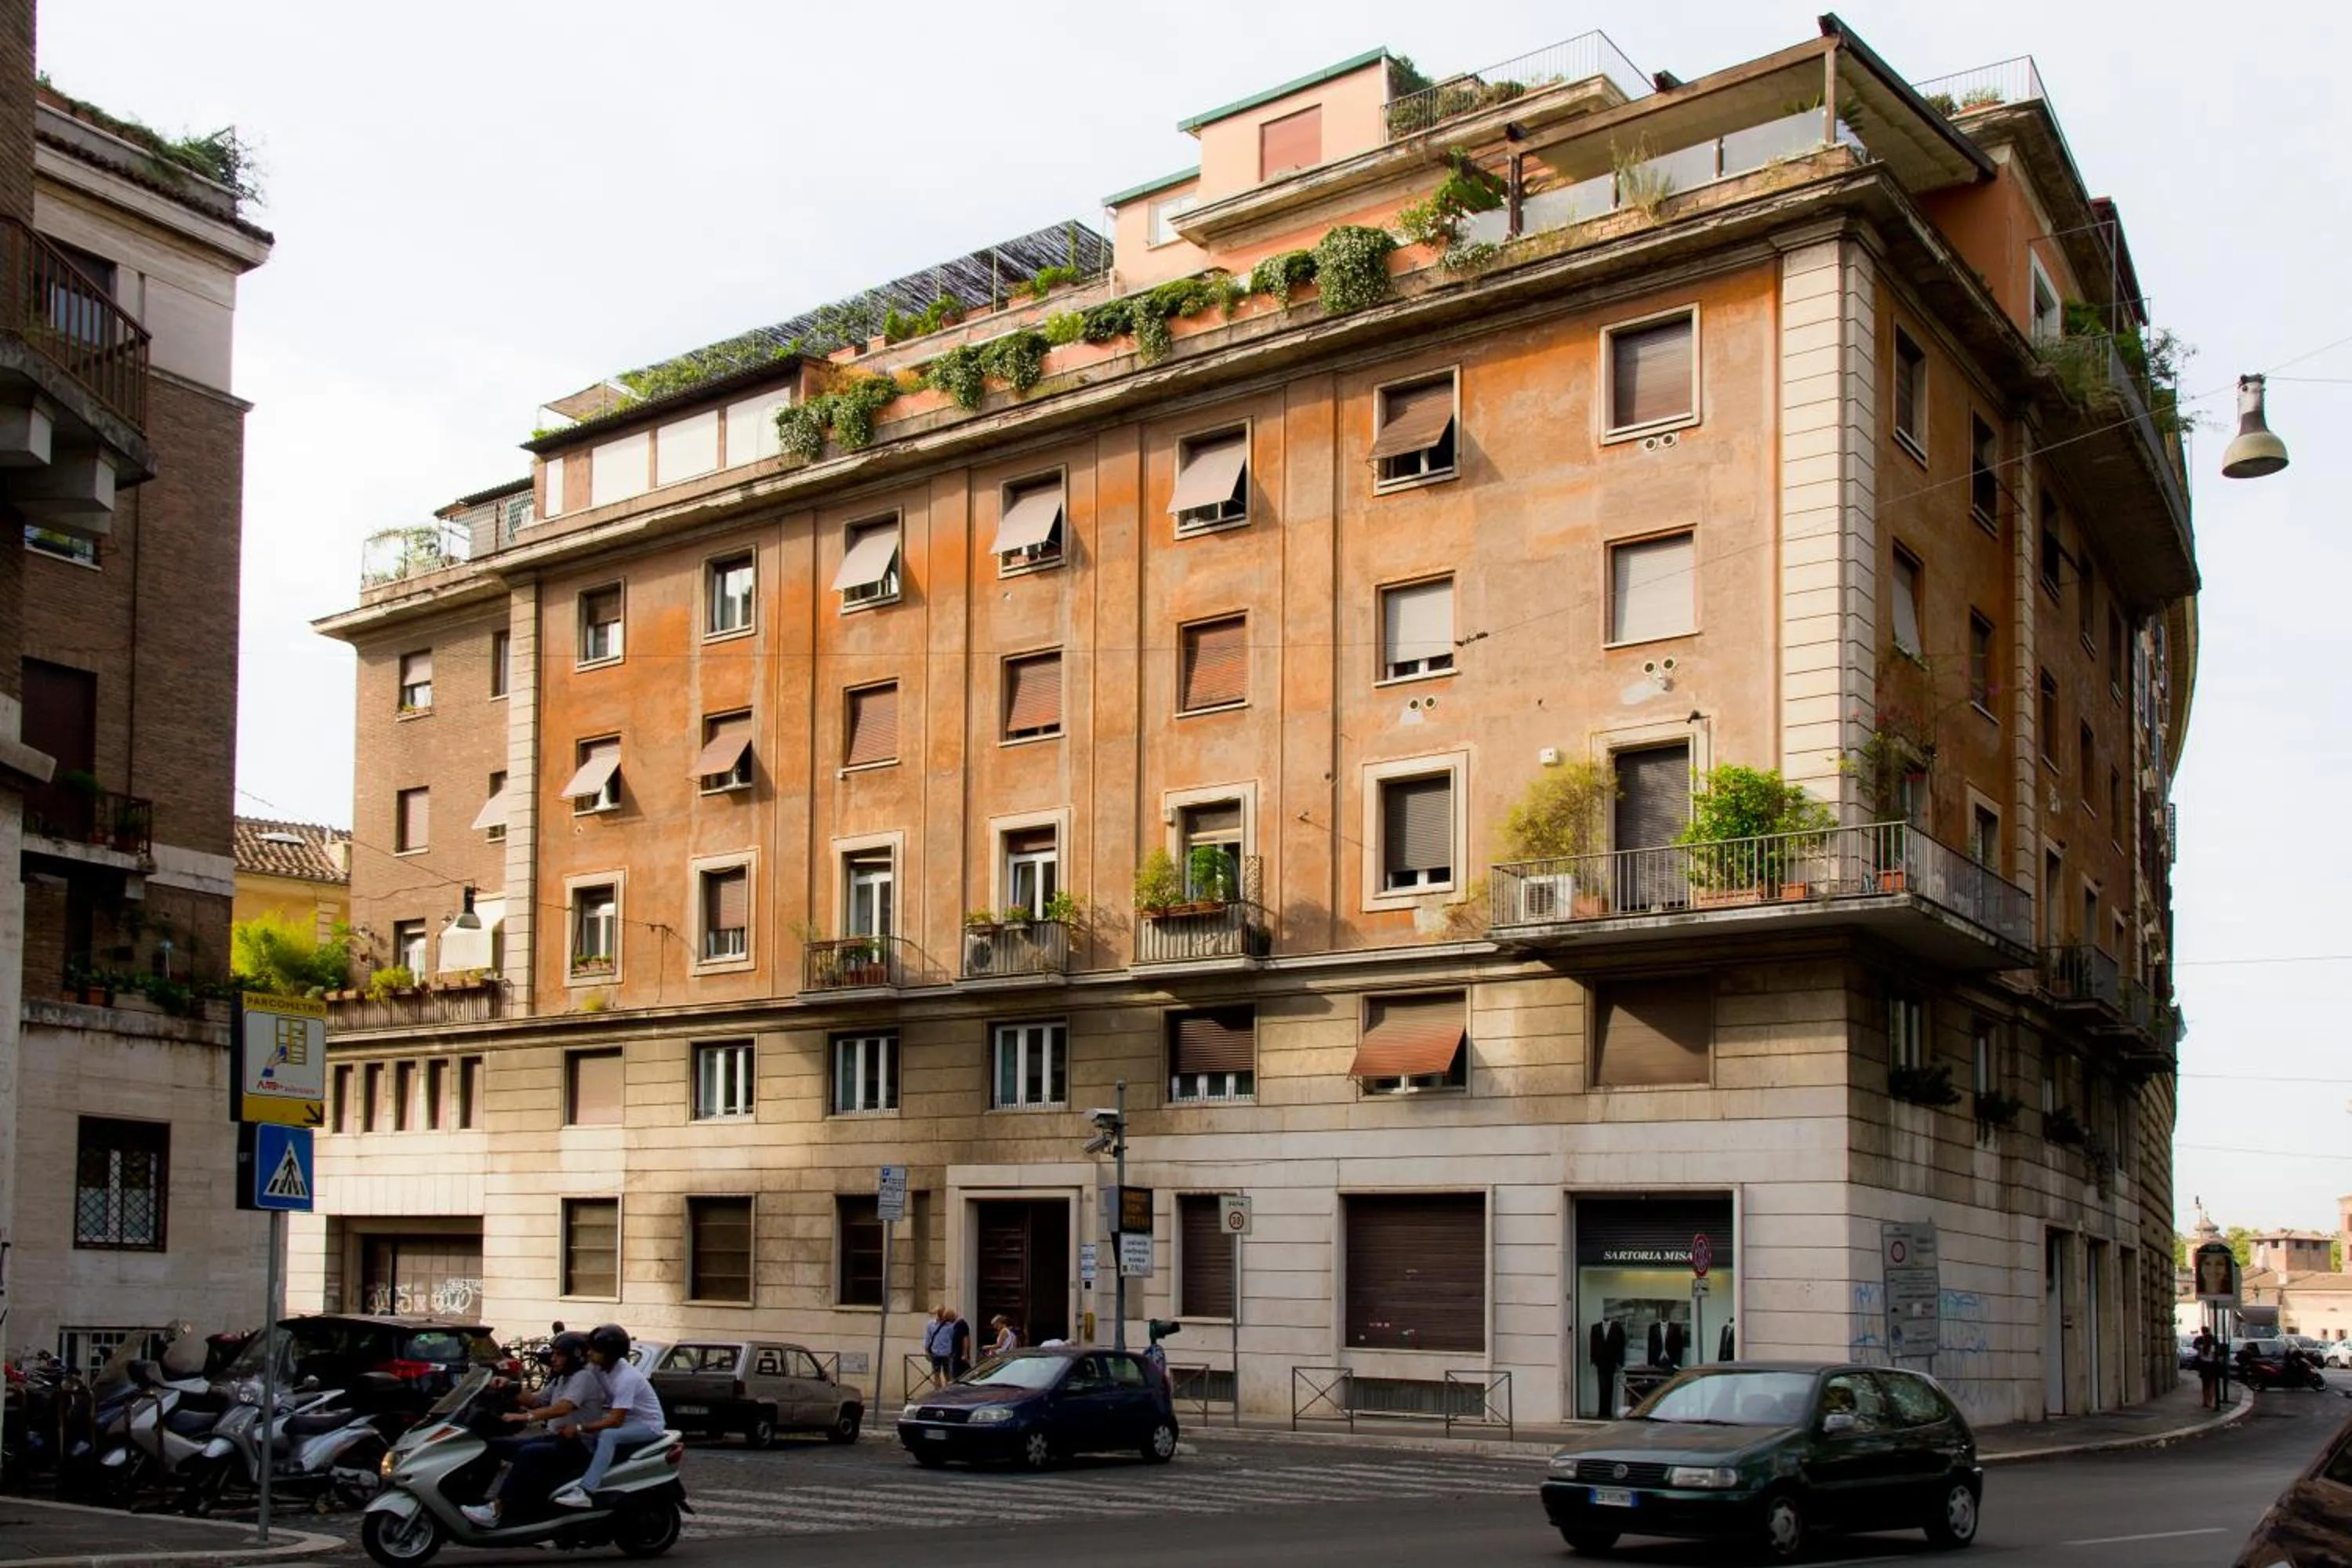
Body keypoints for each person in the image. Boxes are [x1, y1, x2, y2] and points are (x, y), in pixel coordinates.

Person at [462, 1331, 603, 1528]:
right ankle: (476, 1499)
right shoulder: (562, 1379)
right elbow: (536, 1401)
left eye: (559, 1354)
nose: (553, 1358)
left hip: (577, 1445)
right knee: (493, 1445)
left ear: (574, 1356)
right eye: (553, 1353)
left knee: (527, 1454)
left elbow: (563, 1407)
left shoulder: (583, 1377)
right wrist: (509, 1386)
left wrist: (524, 1417)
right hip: (556, 1439)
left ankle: (497, 1510)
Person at [551, 1324, 667, 1508]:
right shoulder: (600, 1367)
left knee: (608, 1435)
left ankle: (586, 1491)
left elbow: (615, 1421)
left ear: (611, 1354)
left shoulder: (626, 1378)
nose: (590, 1353)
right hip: (629, 1421)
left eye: (595, 1350)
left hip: (648, 1424)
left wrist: (579, 1427)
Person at [923, 1307, 956, 1384]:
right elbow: (928, 1338)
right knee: (936, 1374)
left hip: (947, 1354)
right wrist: (927, 1351)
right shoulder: (931, 1324)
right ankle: (938, 1391)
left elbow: (953, 1339)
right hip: (936, 1354)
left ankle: (948, 1392)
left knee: (948, 1374)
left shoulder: (951, 1326)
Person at [2192, 1327, 2219, 1409]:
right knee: (2212, 1383)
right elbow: (2217, 1352)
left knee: (2205, 1384)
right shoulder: (2213, 1340)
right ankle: (2211, 1401)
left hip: (2203, 1365)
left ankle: (2205, 1401)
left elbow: (2195, 1348)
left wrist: (2200, 1350)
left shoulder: (2199, 1340)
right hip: (2212, 1364)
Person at [948, 1308, 973, 1377]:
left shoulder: (961, 1324)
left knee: (960, 1374)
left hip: (960, 1355)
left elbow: (966, 1339)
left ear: (951, 1317)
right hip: (957, 1354)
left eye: (948, 1320)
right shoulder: (957, 1325)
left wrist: (965, 1354)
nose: (949, 1322)